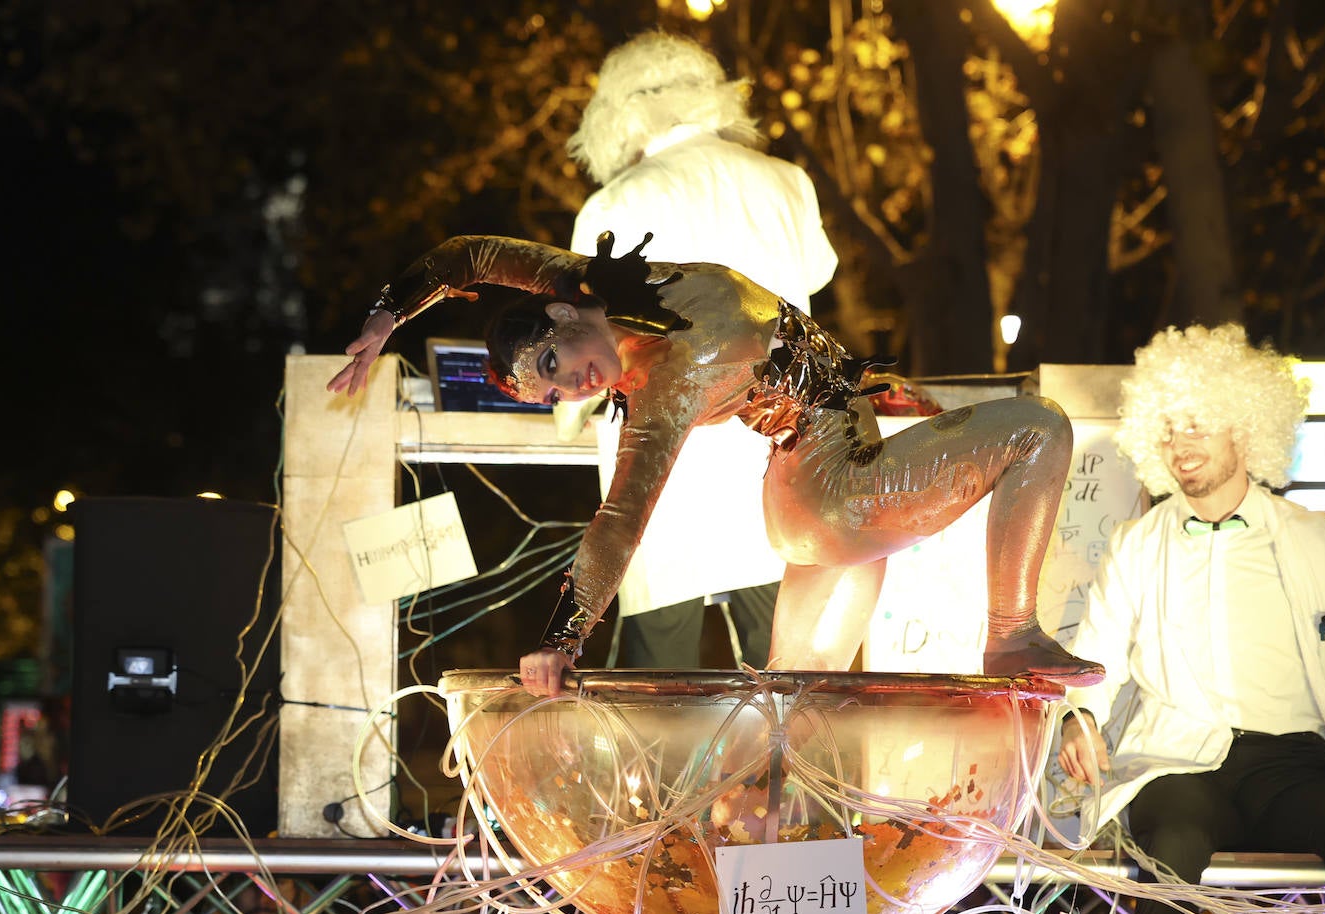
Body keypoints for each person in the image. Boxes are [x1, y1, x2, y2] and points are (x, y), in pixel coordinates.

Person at [327, 232, 1103, 695]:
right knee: (1037, 428)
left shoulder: (589, 281)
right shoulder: (663, 388)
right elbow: (620, 520)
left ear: (563, 313)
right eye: (555, 390)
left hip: (818, 495)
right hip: (834, 494)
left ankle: (761, 851)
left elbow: (470, 255)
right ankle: (1011, 633)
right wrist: (561, 641)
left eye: (558, 363)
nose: (575, 386)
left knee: (798, 701)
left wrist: (384, 317)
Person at [1057, 323, 1325, 908]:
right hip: (1178, 761)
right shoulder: (1134, 546)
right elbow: (1092, 660)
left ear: (1246, 427)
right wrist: (1082, 720)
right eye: (1169, 429)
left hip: (1293, 764)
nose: (1182, 444)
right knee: (1174, 841)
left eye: (1198, 423)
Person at [565, 31, 840, 670]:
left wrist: (563, 411)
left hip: (664, 474)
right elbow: (816, 279)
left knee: (650, 700)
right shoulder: (788, 182)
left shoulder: (613, 205)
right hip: (777, 454)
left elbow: (583, 351)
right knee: (793, 689)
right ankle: (808, 774)